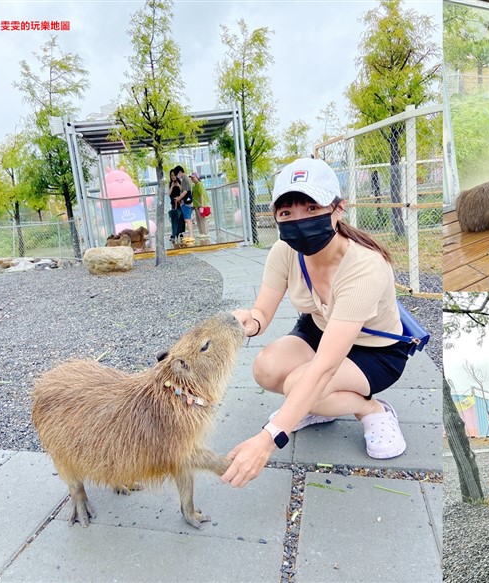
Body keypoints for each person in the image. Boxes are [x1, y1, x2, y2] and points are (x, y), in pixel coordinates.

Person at [222, 157, 412, 488]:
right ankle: (317, 403)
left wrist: (268, 440)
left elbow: (324, 365)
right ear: (276, 218)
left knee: (303, 383)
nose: (299, 221)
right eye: (287, 213)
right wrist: (246, 323)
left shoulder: (365, 266)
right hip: (319, 330)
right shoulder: (284, 251)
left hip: (375, 351)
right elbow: (262, 314)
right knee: (266, 367)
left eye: (311, 208)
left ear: (338, 209)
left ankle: (372, 410)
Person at [173, 165, 194, 244]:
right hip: (185, 203)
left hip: (186, 203)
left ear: (180, 172)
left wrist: (178, 198)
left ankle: (191, 235)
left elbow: (185, 191)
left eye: (177, 174)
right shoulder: (184, 180)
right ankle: (190, 235)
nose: (177, 176)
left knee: (188, 219)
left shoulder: (185, 179)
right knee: (187, 219)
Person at [190, 171, 209, 238]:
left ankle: (205, 233)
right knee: (198, 220)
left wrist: (202, 205)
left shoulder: (199, 184)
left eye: (193, 177)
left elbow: (201, 195)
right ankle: (201, 233)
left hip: (200, 205)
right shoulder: (194, 185)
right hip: (196, 206)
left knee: (202, 219)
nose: (192, 179)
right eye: (191, 178)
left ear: (197, 177)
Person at [168, 169, 185, 242]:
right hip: (173, 202)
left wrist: (178, 185)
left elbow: (184, 191)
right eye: (172, 175)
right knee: (174, 218)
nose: (173, 177)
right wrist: (172, 186)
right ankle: (174, 233)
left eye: (174, 175)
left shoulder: (180, 182)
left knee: (181, 218)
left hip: (180, 202)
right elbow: (168, 194)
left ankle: (180, 233)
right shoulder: (170, 184)